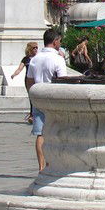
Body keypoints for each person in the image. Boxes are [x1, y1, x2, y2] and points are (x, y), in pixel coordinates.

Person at [26, 29, 68, 172]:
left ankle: (41, 166)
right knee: (56, 133)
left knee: (40, 134)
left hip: (39, 99)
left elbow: (29, 81)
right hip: (54, 99)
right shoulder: (58, 59)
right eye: (59, 41)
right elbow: (63, 82)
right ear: (55, 41)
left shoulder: (34, 59)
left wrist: (33, 98)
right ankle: (53, 164)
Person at [12, 42, 39, 123]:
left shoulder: (38, 58)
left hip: (37, 78)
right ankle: (32, 114)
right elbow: (19, 68)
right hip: (28, 80)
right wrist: (14, 74)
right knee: (31, 97)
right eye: (34, 48)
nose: (36, 49)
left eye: (37, 47)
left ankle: (36, 114)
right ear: (30, 49)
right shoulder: (26, 59)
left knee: (37, 97)